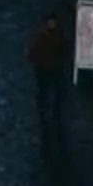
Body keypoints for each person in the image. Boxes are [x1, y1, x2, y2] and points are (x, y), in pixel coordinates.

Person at [26, 12, 65, 146]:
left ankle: (54, 109)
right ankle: (45, 107)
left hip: (53, 66)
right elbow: (32, 51)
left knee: (55, 88)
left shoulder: (57, 34)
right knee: (44, 89)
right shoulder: (41, 36)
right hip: (44, 67)